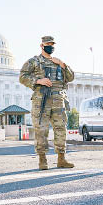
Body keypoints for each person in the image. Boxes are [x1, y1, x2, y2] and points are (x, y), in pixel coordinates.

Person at [19, 36, 75, 170]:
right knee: (41, 130)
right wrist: (38, 81)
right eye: (48, 44)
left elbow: (71, 77)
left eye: (52, 44)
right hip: (41, 100)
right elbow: (22, 77)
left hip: (58, 100)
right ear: (42, 46)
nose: (50, 46)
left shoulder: (58, 62)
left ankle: (61, 159)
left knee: (61, 129)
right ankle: (42, 160)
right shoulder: (34, 61)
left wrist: (63, 64)